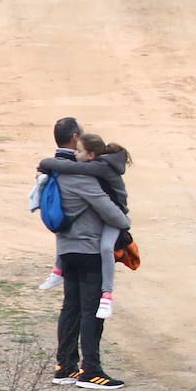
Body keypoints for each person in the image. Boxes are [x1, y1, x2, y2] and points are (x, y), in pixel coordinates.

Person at [45, 118, 132, 389]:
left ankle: (65, 366)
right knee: (90, 310)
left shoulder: (56, 173)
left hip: (67, 249)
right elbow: (113, 214)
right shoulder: (82, 178)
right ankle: (91, 370)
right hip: (88, 249)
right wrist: (125, 222)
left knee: (70, 307)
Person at [40, 133, 132, 320]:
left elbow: (70, 166)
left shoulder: (101, 166)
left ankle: (107, 294)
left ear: (91, 155)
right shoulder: (100, 164)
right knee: (63, 231)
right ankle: (58, 271)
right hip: (106, 214)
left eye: (79, 151)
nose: (75, 154)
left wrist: (46, 163)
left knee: (106, 248)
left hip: (115, 216)